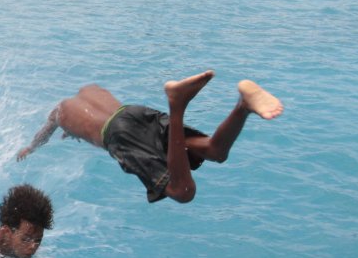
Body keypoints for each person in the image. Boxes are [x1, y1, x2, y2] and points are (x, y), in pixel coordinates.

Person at [16, 72, 283, 204]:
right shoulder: (90, 90)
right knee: (215, 151)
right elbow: (90, 119)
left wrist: (30, 148)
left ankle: (177, 104)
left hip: (118, 134)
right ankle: (243, 106)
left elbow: (45, 131)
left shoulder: (60, 110)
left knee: (182, 192)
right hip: (135, 113)